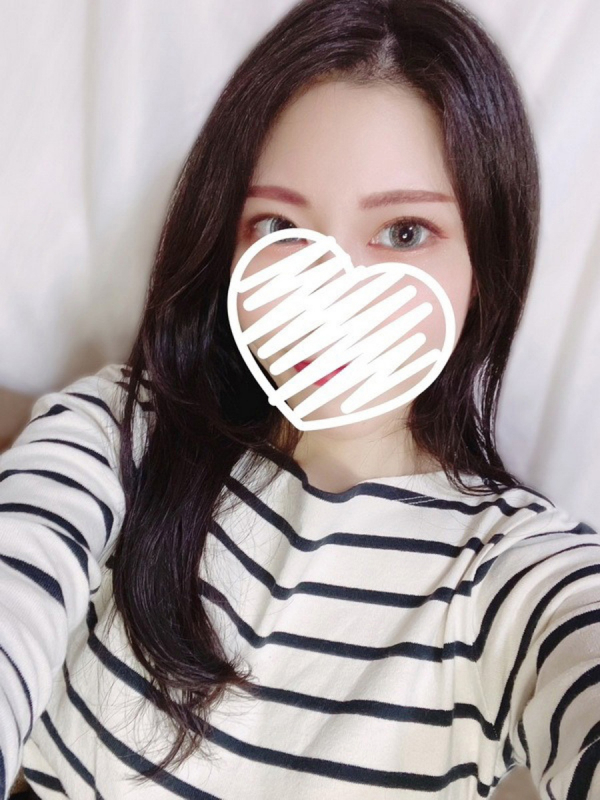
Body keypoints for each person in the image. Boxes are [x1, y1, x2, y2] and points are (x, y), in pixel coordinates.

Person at [1, 0, 598, 797]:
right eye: (279, 227)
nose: (330, 295)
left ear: (484, 265)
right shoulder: (123, 435)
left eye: (404, 232)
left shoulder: (510, 574)